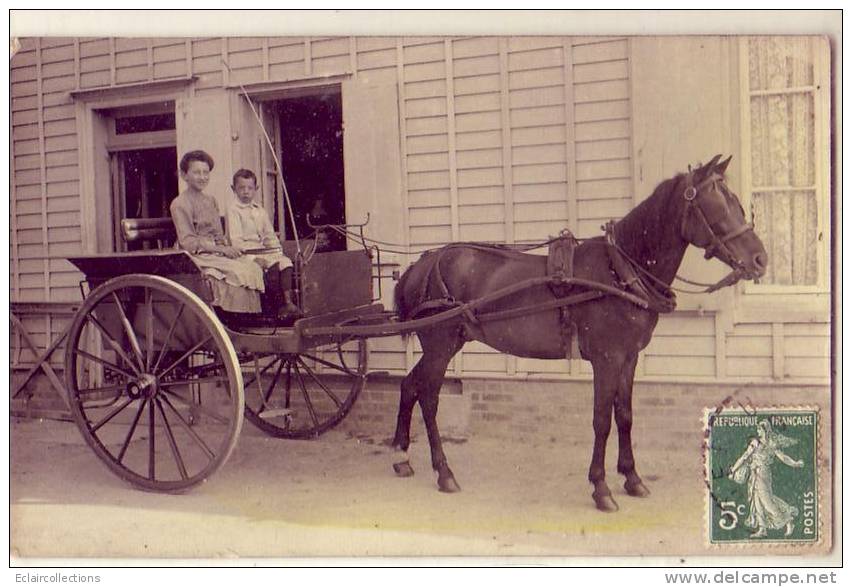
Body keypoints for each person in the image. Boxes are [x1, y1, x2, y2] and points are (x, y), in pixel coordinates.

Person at [170, 150, 264, 313]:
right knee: (238, 272)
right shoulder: (180, 204)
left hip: (215, 253)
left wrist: (227, 249)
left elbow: (219, 235)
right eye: (197, 172)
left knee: (251, 267)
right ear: (184, 175)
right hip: (196, 255)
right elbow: (188, 242)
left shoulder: (211, 200)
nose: (202, 177)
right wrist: (220, 249)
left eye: (206, 172)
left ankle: (249, 318)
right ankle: (235, 318)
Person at [226, 168, 300, 318]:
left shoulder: (260, 211)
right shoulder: (233, 210)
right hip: (244, 254)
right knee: (270, 266)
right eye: (241, 188)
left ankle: (288, 302)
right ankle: (276, 308)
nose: (246, 192)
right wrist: (254, 256)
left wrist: (276, 250)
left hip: (263, 250)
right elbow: (236, 240)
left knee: (285, 262)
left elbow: (269, 235)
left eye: (250, 188)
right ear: (234, 189)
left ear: (256, 189)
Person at [728, 419, 804, 538]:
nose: (758, 431)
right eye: (758, 429)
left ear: (765, 430)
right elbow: (744, 457)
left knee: (767, 501)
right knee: (757, 501)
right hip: (754, 474)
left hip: (763, 474)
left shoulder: (771, 444)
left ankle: (788, 521)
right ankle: (762, 529)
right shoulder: (755, 443)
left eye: (759, 429)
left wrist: (794, 463)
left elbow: (782, 457)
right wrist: (733, 470)